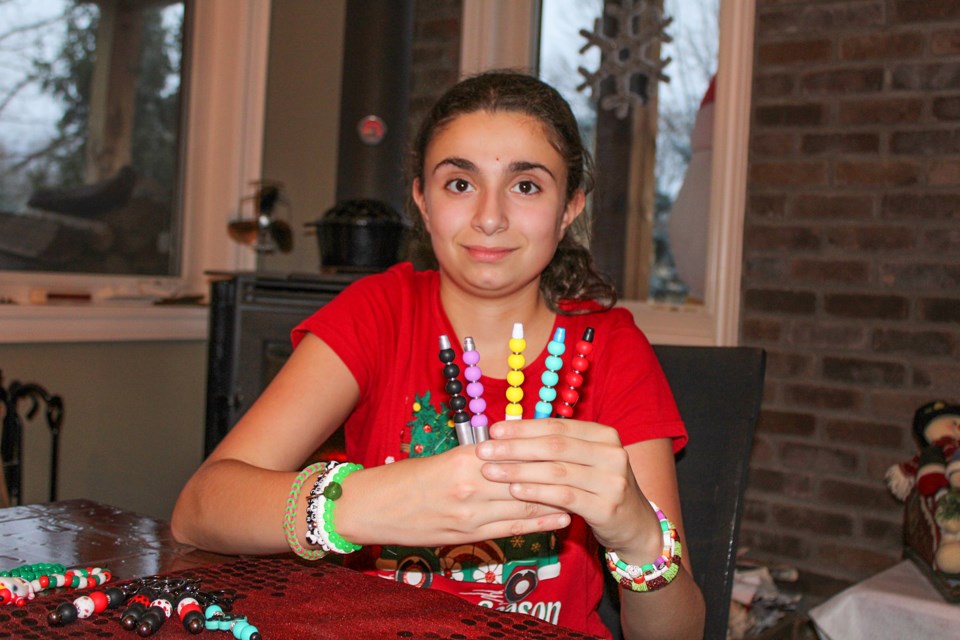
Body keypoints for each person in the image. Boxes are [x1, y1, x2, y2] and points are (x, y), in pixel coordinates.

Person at [172, 70, 705, 639]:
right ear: (422, 201)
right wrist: (356, 503)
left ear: (570, 206)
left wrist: (639, 536)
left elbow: (678, 633)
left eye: (526, 185)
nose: (490, 217)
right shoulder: (380, 312)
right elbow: (200, 509)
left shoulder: (611, 347)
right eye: (459, 184)